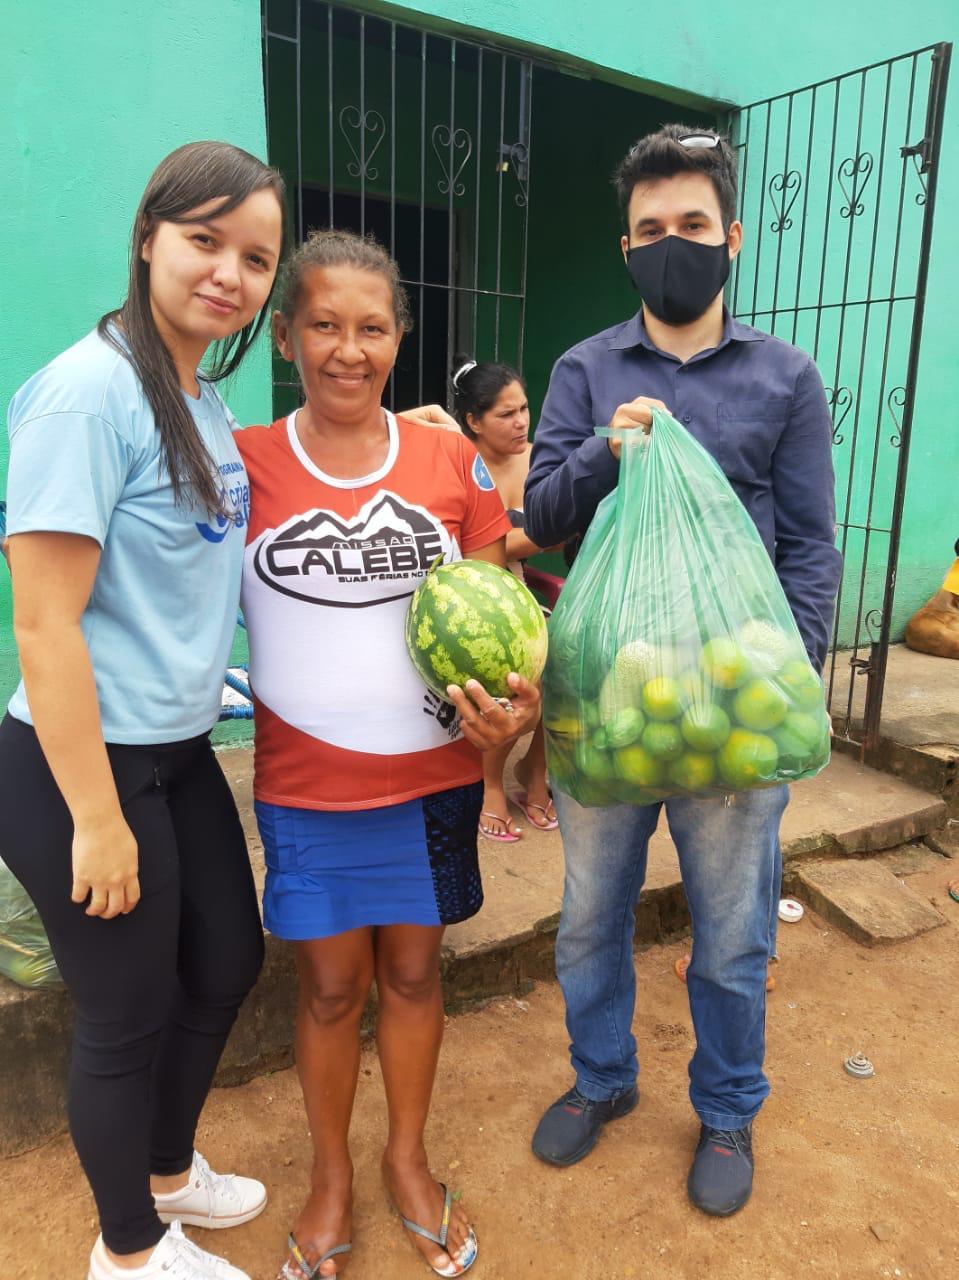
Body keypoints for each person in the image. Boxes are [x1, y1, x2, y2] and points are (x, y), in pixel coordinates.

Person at [524, 124, 842, 1217]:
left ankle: (725, 1105)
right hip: (608, 702)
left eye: (692, 227)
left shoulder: (782, 377)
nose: (673, 245)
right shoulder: (583, 368)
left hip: (735, 710)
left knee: (731, 928)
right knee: (586, 916)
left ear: (730, 238)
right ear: (626, 245)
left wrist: (788, 672)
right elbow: (540, 516)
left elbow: (807, 540)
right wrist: (595, 449)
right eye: (651, 229)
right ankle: (600, 1079)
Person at [0, 143, 287, 1280]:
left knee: (223, 959)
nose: (228, 273)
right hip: (81, 762)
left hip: (173, 748)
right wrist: (95, 816)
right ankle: (126, 1249)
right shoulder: (87, 393)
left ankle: (168, 1172)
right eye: (204, 240)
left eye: (254, 257)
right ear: (147, 238)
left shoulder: (200, 396)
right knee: (121, 1013)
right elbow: (44, 623)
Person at [235, 228, 541, 1280]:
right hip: (307, 783)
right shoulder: (241, 462)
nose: (347, 348)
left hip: (428, 780)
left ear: (399, 337)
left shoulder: (449, 459)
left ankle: (403, 1160)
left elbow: (499, 608)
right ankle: (330, 1177)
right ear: (286, 334)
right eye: (323, 323)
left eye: (370, 327)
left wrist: (512, 721)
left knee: (412, 972)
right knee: (326, 991)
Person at [450, 358, 559, 840]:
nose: (521, 422)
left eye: (524, 409)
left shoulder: (538, 458)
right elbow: (471, 549)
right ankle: (489, 782)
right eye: (505, 414)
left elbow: (557, 531)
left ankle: (534, 773)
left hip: (520, 591)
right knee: (509, 675)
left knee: (569, 672)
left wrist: (529, 537)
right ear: (474, 421)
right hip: (471, 597)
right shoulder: (455, 461)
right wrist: (534, 533)